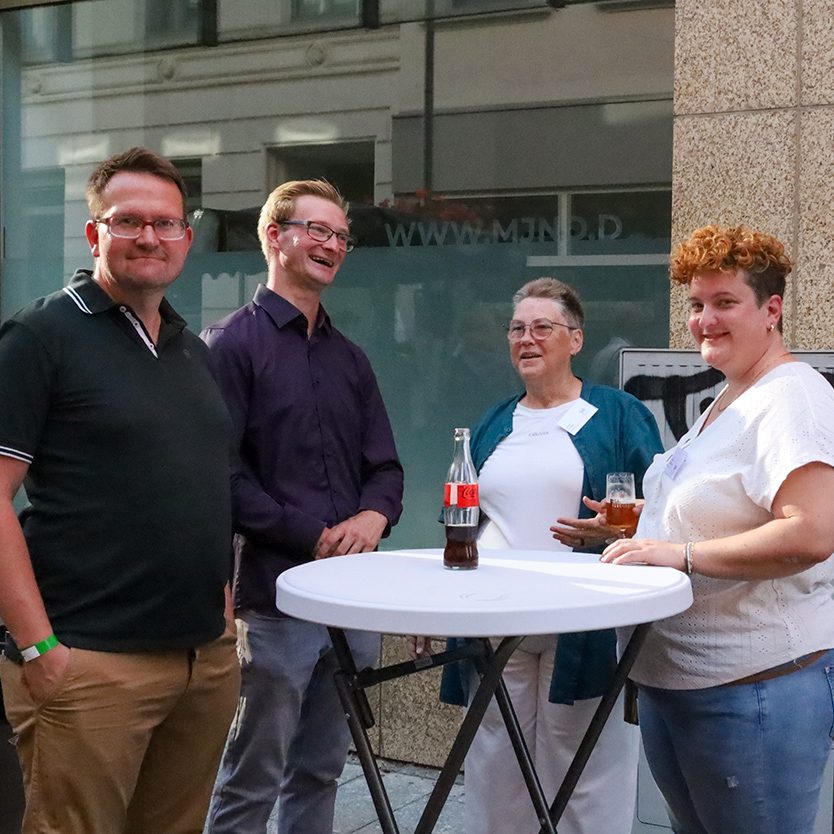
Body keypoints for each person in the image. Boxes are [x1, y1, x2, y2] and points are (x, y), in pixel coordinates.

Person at [0, 147, 240, 834]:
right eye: (128, 221)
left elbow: (202, 484)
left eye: (165, 223)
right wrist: (41, 651)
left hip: (202, 661)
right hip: (91, 663)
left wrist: (223, 618)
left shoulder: (192, 351)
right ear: (94, 233)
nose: (148, 237)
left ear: (186, 238)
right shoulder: (40, 336)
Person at [569, 225, 834, 834]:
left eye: (725, 302)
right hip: (683, 685)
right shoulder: (731, 397)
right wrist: (638, 525)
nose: (705, 320)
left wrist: (678, 553)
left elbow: (812, 533)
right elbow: (728, 504)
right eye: (696, 304)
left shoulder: (792, 398)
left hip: (751, 691)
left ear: (772, 309)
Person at [202, 180, 404, 834]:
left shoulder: (352, 359)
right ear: (274, 237)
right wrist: (310, 535)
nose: (332, 244)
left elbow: (386, 469)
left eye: (341, 235)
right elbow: (219, 476)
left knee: (321, 769)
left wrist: (374, 516)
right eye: (317, 230)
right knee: (252, 777)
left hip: (351, 598)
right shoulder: (229, 346)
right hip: (275, 600)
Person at [435, 277, 663, 834]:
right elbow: (463, 517)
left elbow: (663, 505)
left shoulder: (616, 412)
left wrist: (611, 531)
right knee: (495, 758)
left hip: (581, 617)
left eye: (542, 327)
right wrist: (441, 599)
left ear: (576, 339)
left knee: (583, 761)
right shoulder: (494, 421)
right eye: (517, 329)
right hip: (494, 614)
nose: (526, 339)